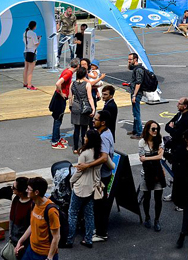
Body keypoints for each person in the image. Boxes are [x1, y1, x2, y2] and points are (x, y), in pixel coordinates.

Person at [76, 111, 114, 243]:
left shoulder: (104, 137)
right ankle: (97, 228)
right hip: (102, 175)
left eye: (96, 119)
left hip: (102, 177)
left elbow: (104, 157)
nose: (93, 121)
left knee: (100, 205)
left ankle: (101, 233)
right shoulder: (105, 133)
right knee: (97, 204)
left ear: (103, 122)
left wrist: (87, 165)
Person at [65, 129, 102, 248]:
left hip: (80, 187)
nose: (84, 138)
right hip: (91, 187)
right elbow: (111, 165)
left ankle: (69, 240)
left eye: (86, 137)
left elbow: (79, 171)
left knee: (73, 213)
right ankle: (88, 239)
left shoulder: (84, 153)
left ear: (89, 139)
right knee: (89, 214)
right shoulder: (99, 153)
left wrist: (71, 181)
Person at [15, 177, 60, 260]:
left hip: (44, 255)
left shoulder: (51, 211)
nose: (26, 191)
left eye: (29, 189)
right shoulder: (34, 203)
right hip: (31, 250)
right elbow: (32, 225)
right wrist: (20, 241)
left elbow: (56, 236)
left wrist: (49, 258)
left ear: (36, 192)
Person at [139, 121, 165, 232]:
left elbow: (160, 156)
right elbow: (141, 158)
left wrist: (147, 157)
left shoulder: (159, 140)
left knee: (158, 198)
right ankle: (147, 217)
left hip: (158, 172)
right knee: (147, 197)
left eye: (157, 129)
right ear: (148, 130)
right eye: (153, 129)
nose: (155, 131)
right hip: (146, 173)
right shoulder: (142, 142)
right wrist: (153, 156)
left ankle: (157, 220)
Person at [49, 58, 79, 150]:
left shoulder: (67, 70)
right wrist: (62, 93)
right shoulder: (69, 73)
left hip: (59, 97)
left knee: (59, 119)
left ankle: (57, 137)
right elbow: (58, 83)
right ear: (77, 66)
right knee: (58, 119)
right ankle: (55, 141)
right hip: (59, 98)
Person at [69, 67, 96, 154]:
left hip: (75, 106)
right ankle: (83, 146)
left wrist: (70, 106)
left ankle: (75, 148)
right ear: (84, 75)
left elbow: (70, 97)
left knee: (76, 128)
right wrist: (93, 108)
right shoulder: (87, 84)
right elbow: (90, 97)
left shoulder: (72, 84)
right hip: (84, 107)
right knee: (84, 128)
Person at [7, 177, 33, 259]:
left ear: (21, 191)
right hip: (13, 240)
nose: (11, 188)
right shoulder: (16, 199)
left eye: (14, 187)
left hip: (24, 244)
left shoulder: (31, 205)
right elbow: (12, 219)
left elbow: (32, 226)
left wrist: (23, 244)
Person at [127, 53, 145, 139]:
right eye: (128, 59)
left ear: (135, 59)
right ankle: (135, 130)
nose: (129, 61)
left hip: (136, 93)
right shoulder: (135, 68)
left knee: (136, 113)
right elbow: (129, 67)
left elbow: (138, 83)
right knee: (134, 112)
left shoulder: (138, 70)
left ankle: (139, 132)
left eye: (130, 59)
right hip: (134, 92)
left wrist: (134, 95)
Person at [23, 21, 41, 90]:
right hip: (32, 52)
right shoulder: (33, 34)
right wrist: (39, 39)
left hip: (26, 51)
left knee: (26, 68)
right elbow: (36, 43)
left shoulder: (25, 33)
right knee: (30, 70)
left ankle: (25, 83)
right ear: (34, 26)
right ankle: (29, 85)